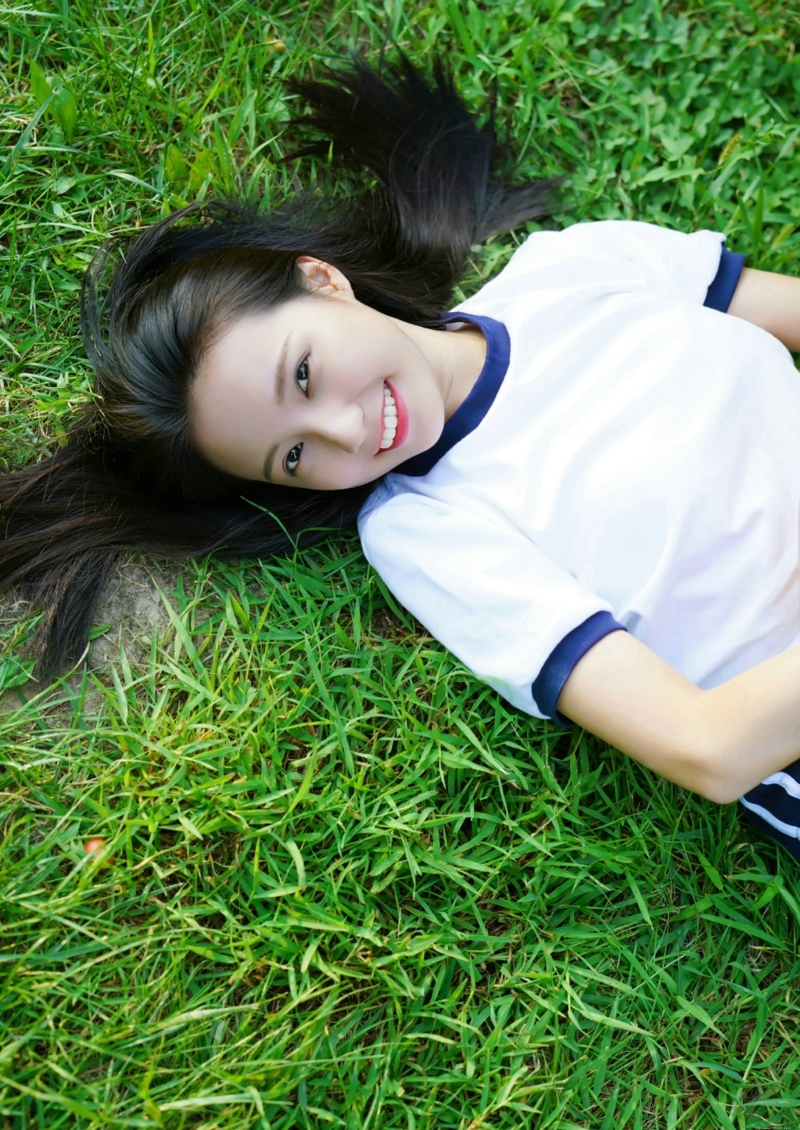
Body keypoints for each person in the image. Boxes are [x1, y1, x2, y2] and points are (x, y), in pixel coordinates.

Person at [3, 54, 800, 860]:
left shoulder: (577, 269)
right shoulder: (424, 529)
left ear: (322, 280)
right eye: (293, 455)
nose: (345, 432)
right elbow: (711, 746)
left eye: (304, 374)